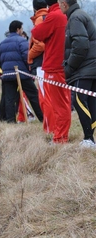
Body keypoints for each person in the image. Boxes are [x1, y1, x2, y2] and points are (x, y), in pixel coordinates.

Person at [32, 0, 70, 144]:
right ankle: (59, 136)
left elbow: (37, 33)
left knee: (58, 105)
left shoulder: (54, 16)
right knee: (60, 103)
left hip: (54, 66)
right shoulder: (61, 15)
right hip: (59, 65)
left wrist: (40, 18)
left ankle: (60, 138)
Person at [59, 0, 96, 148]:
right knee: (92, 102)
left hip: (84, 68)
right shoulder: (80, 15)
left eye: (59, 3)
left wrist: (69, 67)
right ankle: (90, 138)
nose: (59, 6)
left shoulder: (75, 18)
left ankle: (88, 138)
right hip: (91, 67)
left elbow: (80, 45)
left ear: (64, 3)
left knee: (80, 101)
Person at [0, 20, 44, 124]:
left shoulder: (2, 43)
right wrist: (29, 70)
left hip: (8, 75)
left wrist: (5, 70)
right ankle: (43, 118)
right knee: (33, 95)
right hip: (22, 73)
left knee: (9, 98)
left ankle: (10, 122)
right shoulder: (22, 41)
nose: (22, 31)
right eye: (21, 29)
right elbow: (27, 57)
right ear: (18, 29)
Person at [28, 0, 52, 133]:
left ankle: (49, 128)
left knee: (45, 97)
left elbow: (40, 45)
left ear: (34, 8)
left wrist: (30, 55)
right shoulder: (49, 16)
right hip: (50, 62)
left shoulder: (39, 19)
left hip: (42, 63)